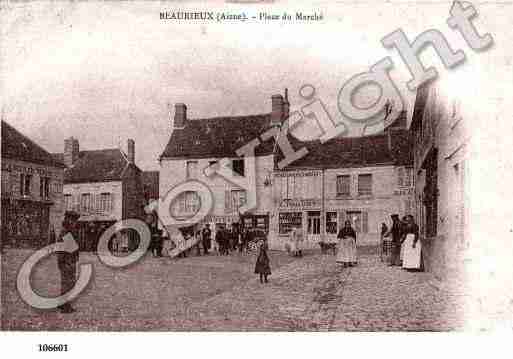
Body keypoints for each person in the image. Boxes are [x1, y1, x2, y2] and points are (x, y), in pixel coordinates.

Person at [56, 210, 81, 313]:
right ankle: (66, 306)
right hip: (67, 261)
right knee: (69, 283)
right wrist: (63, 262)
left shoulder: (66, 231)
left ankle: (62, 303)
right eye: (74, 220)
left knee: (66, 282)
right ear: (69, 220)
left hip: (67, 260)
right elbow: (69, 248)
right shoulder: (67, 232)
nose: (75, 223)